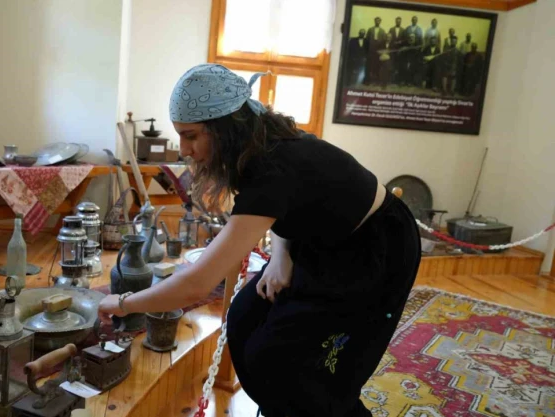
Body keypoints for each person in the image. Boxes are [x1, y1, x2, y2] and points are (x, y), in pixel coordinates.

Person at [97, 64, 422, 417]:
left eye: (191, 136)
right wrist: (280, 255)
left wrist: (124, 303)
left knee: (312, 371)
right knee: (243, 320)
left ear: (223, 128)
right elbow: (291, 202)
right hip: (318, 239)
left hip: (375, 248)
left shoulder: (273, 164)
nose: (185, 149)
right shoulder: (257, 146)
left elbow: (196, 284)